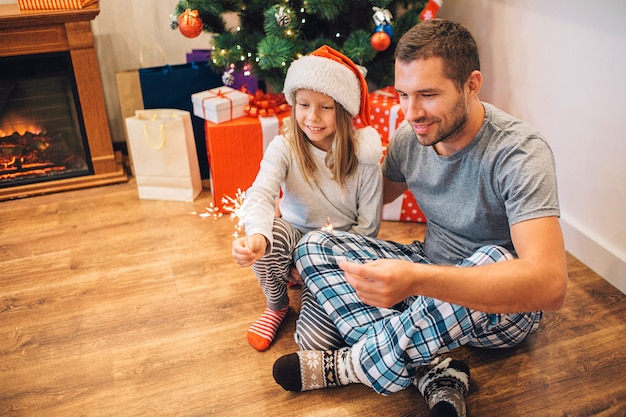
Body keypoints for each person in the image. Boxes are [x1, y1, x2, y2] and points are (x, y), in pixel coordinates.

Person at [272, 19, 568, 417]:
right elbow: (364, 197)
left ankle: (350, 365)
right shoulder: (412, 138)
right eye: (403, 95)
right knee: (314, 246)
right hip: (427, 272)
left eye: (427, 95)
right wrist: (297, 188)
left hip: (500, 309)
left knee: (496, 257)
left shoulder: (520, 154)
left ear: (471, 84)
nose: (411, 113)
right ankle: (433, 374)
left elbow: (549, 286)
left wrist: (415, 280)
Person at [231, 46, 384, 352]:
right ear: (294, 104)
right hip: (294, 234)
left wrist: (316, 266)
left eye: (325, 107)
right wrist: (257, 235)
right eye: (303, 104)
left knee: (314, 344)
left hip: (337, 250)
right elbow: (261, 193)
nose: (312, 117)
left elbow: (368, 230)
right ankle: (277, 305)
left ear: (342, 109)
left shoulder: (364, 157)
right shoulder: (284, 147)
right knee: (269, 233)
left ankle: (312, 288)